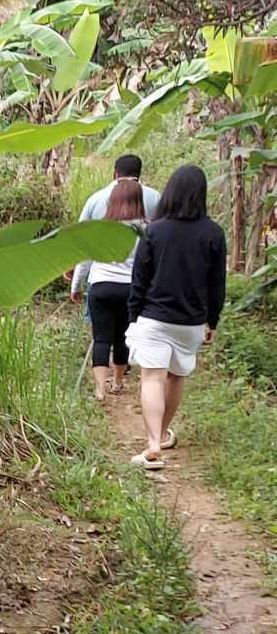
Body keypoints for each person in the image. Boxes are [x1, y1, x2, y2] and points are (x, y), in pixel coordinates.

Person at [124, 164, 227, 470]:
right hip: (191, 321)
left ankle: (154, 442)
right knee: (176, 376)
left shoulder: (153, 230)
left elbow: (139, 278)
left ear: (169, 192)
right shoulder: (214, 233)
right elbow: (216, 282)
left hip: (154, 317)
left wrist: (133, 315)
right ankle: (162, 434)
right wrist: (213, 320)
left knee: (152, 377)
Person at [76, 177, 148, 400]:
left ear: (112, 201)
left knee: (101, 338)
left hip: (101, 286)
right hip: (131, 289)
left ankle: (99, 388)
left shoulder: (100, 228)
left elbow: (85, 260)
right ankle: (117, 381)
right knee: (122, 337)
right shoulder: (146, 229)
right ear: (139, 200)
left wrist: (76, 285)